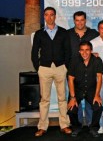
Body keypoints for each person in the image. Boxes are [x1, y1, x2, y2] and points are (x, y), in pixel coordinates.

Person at [31, 7, 71, 136]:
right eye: (47, 15)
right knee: (44, 100)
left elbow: (68, 52)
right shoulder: (39, 33)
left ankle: (64, 125)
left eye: (52, 15)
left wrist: (65, 67)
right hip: (44, 69)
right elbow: (34, 53)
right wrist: (39, 68)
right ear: (44, 17)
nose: (49, 17)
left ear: (55, 16)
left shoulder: (63, 32)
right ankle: (42, 127)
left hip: (60, 68)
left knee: (62, 98)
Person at [68, 11, 99, 126]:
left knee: (90, 100)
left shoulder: (93, 33)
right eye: (77, 20)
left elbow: (101, 43)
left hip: (89, 72)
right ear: (74, 21)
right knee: (75, 99)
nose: (80, 22)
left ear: (85, 20)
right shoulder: (68, 34)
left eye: (82, 20)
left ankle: (91, 124)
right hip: (73, 73)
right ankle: (78, 124)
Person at [67, 41, 103, 137]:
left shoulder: (97, 60)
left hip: (91, 89)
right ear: (79, 51)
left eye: (87, 50)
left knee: (98, 106)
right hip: (77, 90)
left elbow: (99, 78)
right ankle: (76, 127)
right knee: (71, 109)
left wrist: (96, 95)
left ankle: (94, 128)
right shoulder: (74, 61)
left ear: (91, 50)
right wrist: (72, 97)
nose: (85, 53)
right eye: (82, 50)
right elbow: (70, 79)